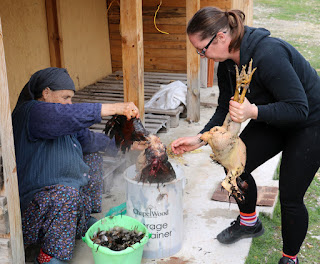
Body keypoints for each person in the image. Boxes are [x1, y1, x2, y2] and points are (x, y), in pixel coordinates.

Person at [171, 7, 320, 264]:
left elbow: (298, 108)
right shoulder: (228, 63)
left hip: (309, 122)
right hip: (272, 115)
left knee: (290, 195)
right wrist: (200, 138)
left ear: (219, 37)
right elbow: (223, 108)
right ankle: (249, 222)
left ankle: (290, 258)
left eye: (201, 49)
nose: (201, 55)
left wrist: (253, 111)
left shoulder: (269, 54)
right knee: (234, 165)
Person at [12, 67, 141, 264]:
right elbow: (63, 115)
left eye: (71, 98)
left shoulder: (62, 121)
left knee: (92, 160)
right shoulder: (30, 112)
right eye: (65, 97)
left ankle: (78, 222)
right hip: (34, 209)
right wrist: (114, 108)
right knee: (67, 193)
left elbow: (88, 139)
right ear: (46, 93)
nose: (69, 103)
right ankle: (50, 256)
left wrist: (126, 146)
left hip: (60, 198)